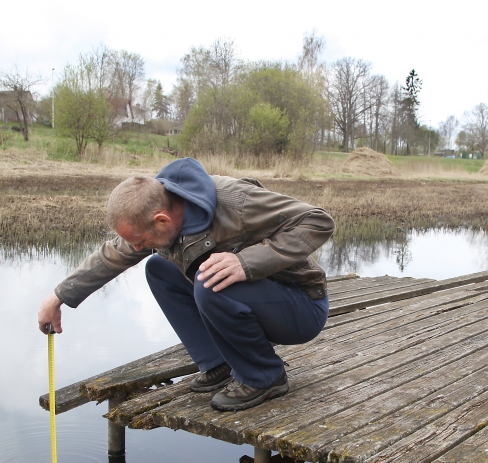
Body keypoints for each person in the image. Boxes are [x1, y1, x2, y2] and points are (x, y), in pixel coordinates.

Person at [37, 157, 335, 411]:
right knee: (158, 268)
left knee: (208, 280)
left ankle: (265, 376)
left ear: (162, 221)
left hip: (301, 306)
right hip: (261, 298)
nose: (138, 248)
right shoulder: (155, 208)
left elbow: (318, 221)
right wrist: (57, 297)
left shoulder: (236, 201)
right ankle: (218, 363)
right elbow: (114, 253)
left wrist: (246, 262)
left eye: (141, 241)